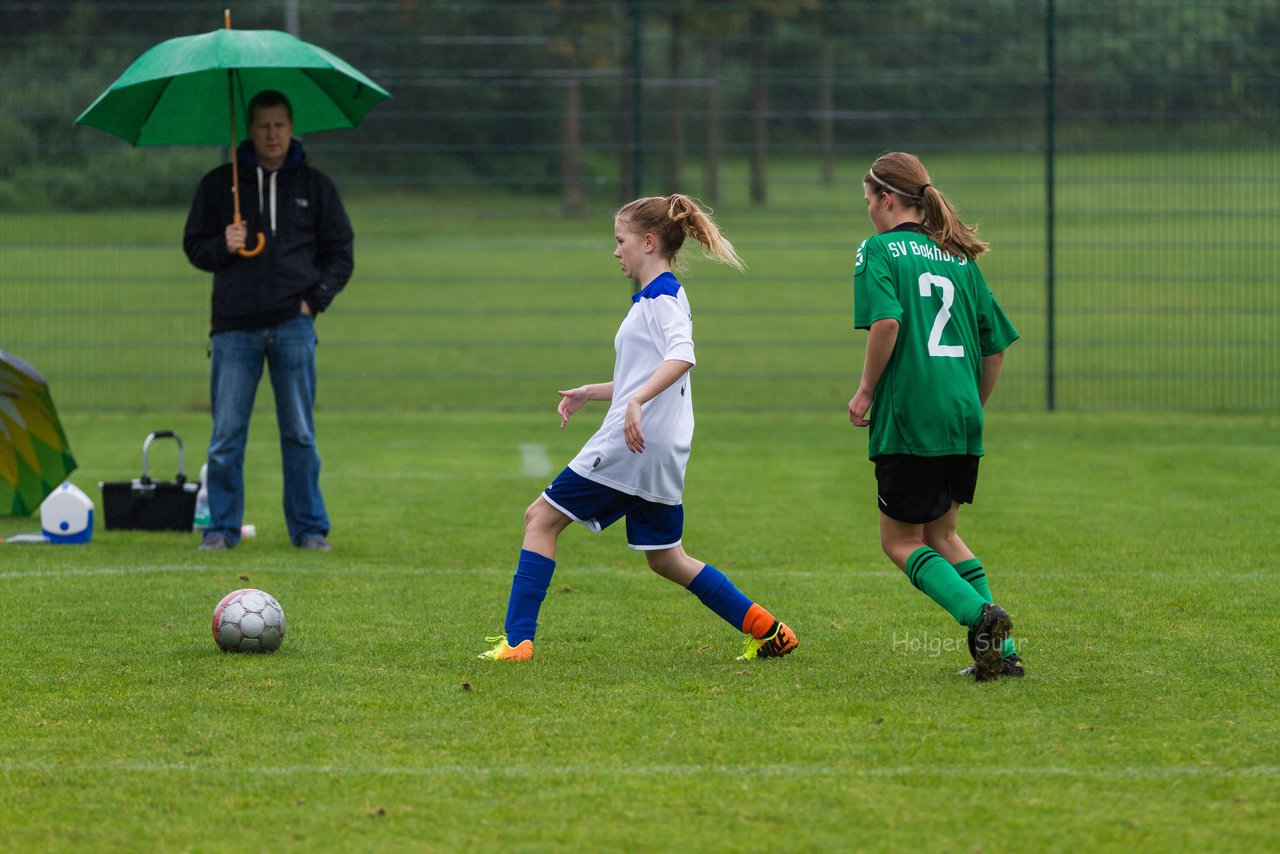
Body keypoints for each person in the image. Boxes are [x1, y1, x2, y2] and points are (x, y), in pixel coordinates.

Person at [479, 194, 798, 663]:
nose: (616, 251)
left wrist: (636, 402)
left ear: (648, 242)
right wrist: (594, 391)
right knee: (666, 557)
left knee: (539, 520)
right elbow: (645, 372)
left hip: (634, 442)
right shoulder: (663, 296)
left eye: (620, 240)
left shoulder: (661, 298)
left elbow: (682, 356)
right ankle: (770, 631)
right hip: (662, 447)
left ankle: (517, 642)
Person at [848, 152, 1022, 681]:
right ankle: (1004, 652)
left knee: (900, 541)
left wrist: (864, 392)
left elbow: (887, 323)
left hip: (911, 416)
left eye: (868, 202)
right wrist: (970, 405)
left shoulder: (878, 250)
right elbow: (994, 349)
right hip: (962, 416)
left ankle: (980, 617)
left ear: (887, 199)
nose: (869, 214)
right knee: (943, 534)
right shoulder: (961, 258)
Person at [183, 90, 353, 552]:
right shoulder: (220, 186)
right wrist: (225, 243)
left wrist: (313, 301)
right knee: (225, 435)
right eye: (262, 126)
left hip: (294, 325)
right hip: (233, 328)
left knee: (299, 432)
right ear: (250, 129)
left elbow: (340, 253)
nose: (272, 134)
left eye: (280, 125)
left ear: (292, 127)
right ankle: (220, 528)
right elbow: (194, 248)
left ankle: (309, 528)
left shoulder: (316, 187)